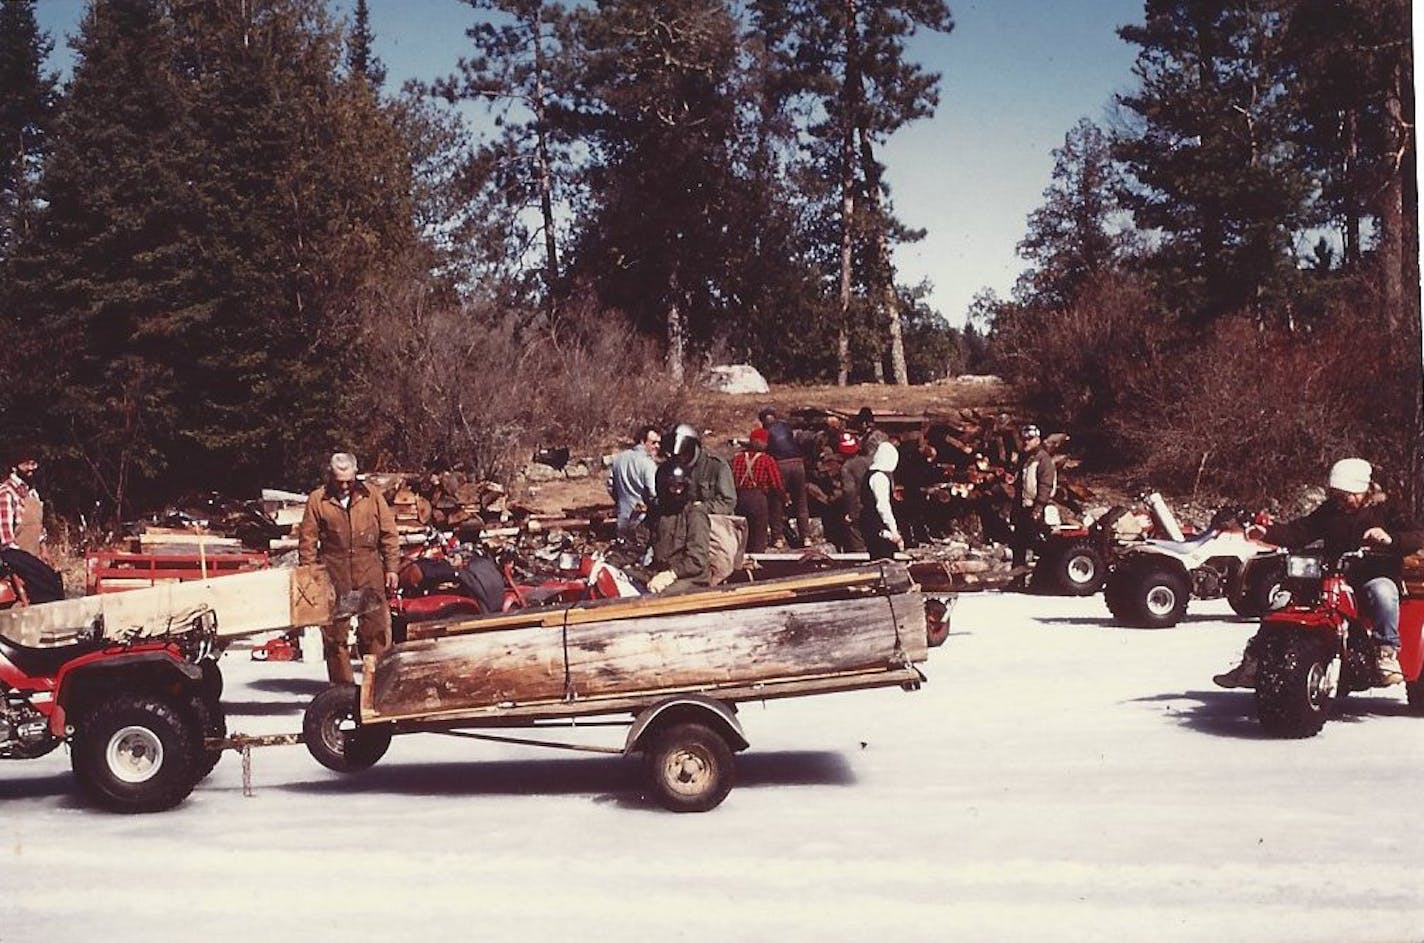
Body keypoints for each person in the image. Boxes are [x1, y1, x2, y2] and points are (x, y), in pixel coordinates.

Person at [1214, 458, 1424, 688]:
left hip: (1372, 573)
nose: (1343, 501)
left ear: (1364, 490)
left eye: (1348, 495)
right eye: (1338, 495)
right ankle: (1254, 660)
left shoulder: (1388, 509)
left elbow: (1416, 535)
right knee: (1284, 603)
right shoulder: (1331, 510)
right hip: (1332, 574)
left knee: (1383, 592)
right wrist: (1267, 532)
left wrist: (1389, 538)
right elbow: (1300, 531)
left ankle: (1386, 652)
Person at [297, 452, 400, 684]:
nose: (344, 486)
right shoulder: (318, 500)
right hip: (335, 577)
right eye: (338, 481)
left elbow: (389, 534)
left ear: (356, 474)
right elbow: (308, 541)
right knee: (335, 639)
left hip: (369, 574)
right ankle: (342, 690)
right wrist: (310, 575)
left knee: (375, 633)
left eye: (348, 481)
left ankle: (377, 687)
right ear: (331, 477)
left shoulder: (372, 496)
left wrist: (392, 568)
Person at [0, 449, 64, 603]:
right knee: (48, 585)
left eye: (33, 463)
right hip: (13, 556)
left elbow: (37, 526)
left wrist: (43, 551)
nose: (31, 468)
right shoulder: (6, 493)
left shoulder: (32, 493)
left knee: (55, 580)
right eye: (26, 464)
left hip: (31, 557)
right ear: (14, 467)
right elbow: (6, 542)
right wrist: (26, 566)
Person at [646, 462, 711, 594]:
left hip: (691, 577)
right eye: (673, 487)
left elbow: (697, 559)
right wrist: (611, 561)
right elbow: (636, 544)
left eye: (681, 486)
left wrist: (672, 574)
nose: (678, 491)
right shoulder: (657, 512)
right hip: (660, 570)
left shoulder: (695, 514)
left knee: (663, 597)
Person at [759, 406, 809, 547]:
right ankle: (806, 537)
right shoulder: (785, 426)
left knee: (776, 502)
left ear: (763, 420)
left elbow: (761, 447)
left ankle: (778, 538)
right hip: (798, 463)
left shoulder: (765, 431)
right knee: (801, 501)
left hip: (780, 465)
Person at [1011, 423, 1057, 572]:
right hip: (1023, 507)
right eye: (1024, 439)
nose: (1026, 442)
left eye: (1029, 439)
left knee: (1038, 543)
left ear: (1037, 440)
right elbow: (1020, 486)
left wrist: (1038, 508)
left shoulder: (1043, 460)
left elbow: (1045, 485)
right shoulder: (1026, 459)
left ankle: (1046, 575)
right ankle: (1018, 578)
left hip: (1037, 508)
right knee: (1018, 544)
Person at [732, 428, 786, 553]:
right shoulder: (767, 460)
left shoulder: (737, 459)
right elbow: (776, 483)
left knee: (743, 533)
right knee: (759, 534)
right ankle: (757, 560)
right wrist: (783, 497)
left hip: (740, 497)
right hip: (758, 498)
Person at [666, 422, 736, 515]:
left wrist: (702, 508)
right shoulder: (669, 467)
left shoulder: (717, 466)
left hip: (712, 520)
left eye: (684, 453)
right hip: (681, 520)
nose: (680, 458)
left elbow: (728, 502)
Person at [607, 424, 661, 542]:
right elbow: (653, 492)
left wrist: (621, 501)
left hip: (623, 518)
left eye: (658, 443)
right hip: (642, 521)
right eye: (653, 442)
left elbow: (610, 485)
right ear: (642, 441)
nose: (657, 446)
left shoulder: (619, 459)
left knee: (622, 554)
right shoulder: (648, 464)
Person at [861, 438, 903, 559]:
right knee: (883, 558)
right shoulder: (880, 477)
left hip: (871, 523)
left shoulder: (870, 474)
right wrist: (893, 530)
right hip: (878, 526)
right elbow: (883, 506)